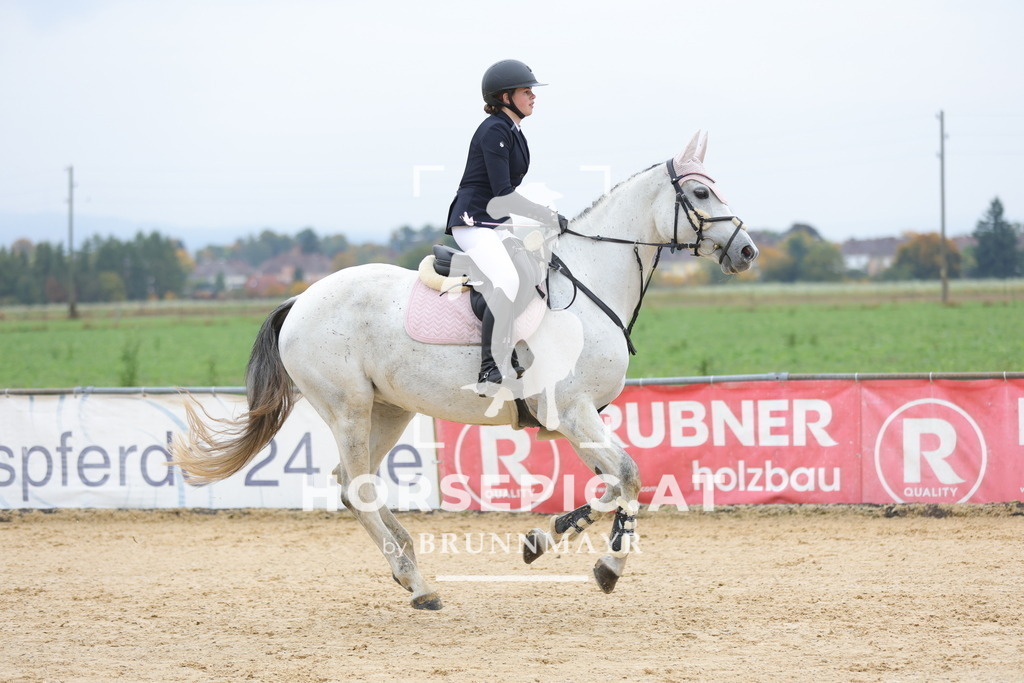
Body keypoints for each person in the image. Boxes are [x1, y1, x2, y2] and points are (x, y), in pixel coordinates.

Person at [446, 59, 564, 394]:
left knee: (529, 273)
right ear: (505, 97)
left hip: (494, 222)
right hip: (473, 221)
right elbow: (503, 194)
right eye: (526, 91)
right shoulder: (494, 130)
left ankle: (511, 346)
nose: (532, 96)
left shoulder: (513, 131)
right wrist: (545, 215)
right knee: (508, 278)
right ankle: (489, 369)